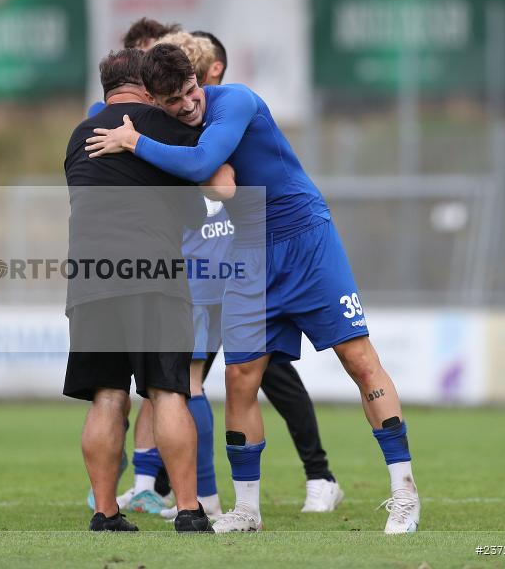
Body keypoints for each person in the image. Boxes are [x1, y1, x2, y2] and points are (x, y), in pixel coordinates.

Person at [85, 44, 420, 534]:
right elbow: (102, 115)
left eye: (191, 90)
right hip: (249, 250)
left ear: (199, 81)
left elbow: (203, 164)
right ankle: (246, 510)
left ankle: (404, 494)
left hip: (306, 238)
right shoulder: (168, 121)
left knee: (358, 358)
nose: (188, 104)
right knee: (240, 377)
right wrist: (124, 126)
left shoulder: (235, 101)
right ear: (155, 101)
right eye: (174, 100)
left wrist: (134, 142)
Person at [64, 48, 222, 533]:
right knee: (169, 390)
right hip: (153, 272)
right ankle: (192, 511)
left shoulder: (78, 136)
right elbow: (199, 199)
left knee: (107, 397)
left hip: (89, 274)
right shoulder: (156, 123)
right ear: (145, 84)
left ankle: (105, 512)